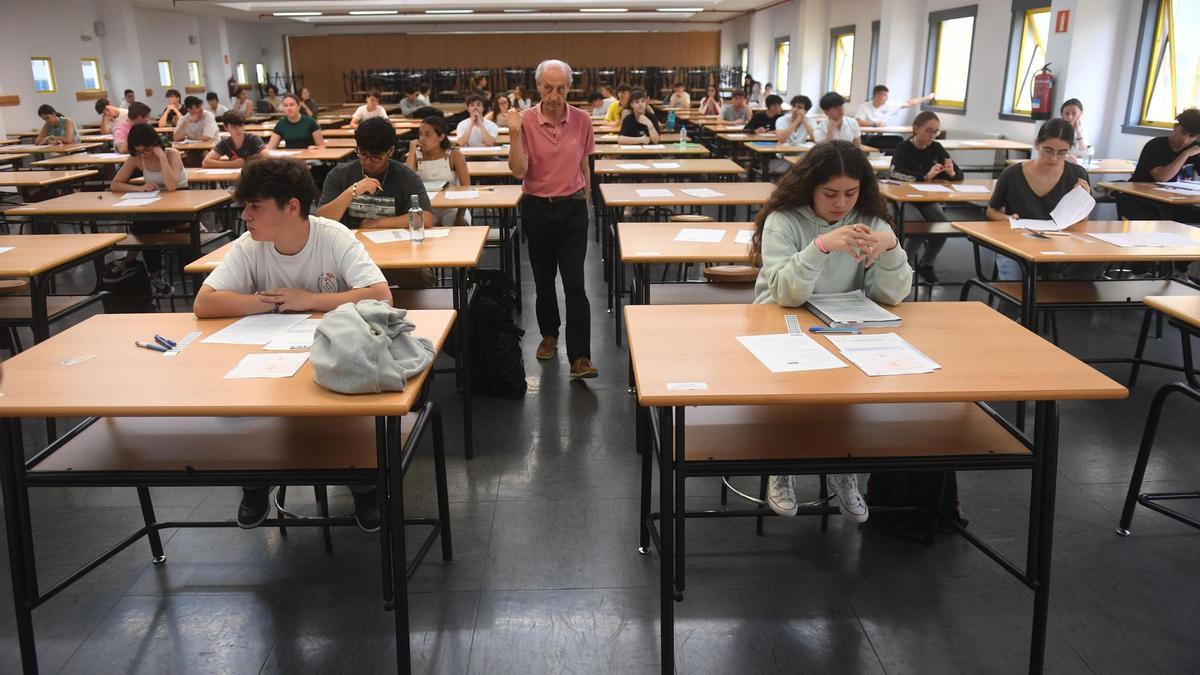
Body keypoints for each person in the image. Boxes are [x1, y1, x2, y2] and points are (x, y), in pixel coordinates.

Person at [193, 158, 392, 532]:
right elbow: (205, 303)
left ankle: (365, 486)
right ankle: (254, 483)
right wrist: (271, 301)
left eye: (255, 207)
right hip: (271, 353)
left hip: (332, 352)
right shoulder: (249, 246)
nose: (245, 216)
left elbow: (380, 296)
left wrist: (308, 300)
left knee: (347, 405)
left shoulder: (332, 236)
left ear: (292, 206)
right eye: (245, 207)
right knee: (239, 401)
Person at [752, 140, 912, 522]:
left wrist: (891, 248)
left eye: (851, 193)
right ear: (810, 187)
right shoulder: (785, 220)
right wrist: (820, 246)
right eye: (830, 194)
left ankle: (844, 464)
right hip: (780, 319)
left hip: (845, 321)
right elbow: (787, 295)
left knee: (853, 387)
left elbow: (891, 295)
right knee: (793, 387)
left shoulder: (869, 220)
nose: (841, 204)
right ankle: (782, 462)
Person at [508, 59, 598, 380]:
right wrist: (515, 133)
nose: (554, 94)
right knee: (544, 281)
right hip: (537, 209)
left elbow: (585, 165)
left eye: (561, 88)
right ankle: (549, 334)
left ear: (569, 88)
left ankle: (581, 357)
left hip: (573, 210)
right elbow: (519, 171)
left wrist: (585, 201)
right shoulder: (526, 121)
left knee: (575, 284)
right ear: (538, 87)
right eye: (548, 87)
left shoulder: (583, 120)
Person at [987, 118, 1093, 279]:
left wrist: (1083, 201)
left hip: (1059, 243)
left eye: (1062, 153)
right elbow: (991, 211)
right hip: (1018, 244)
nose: (1054, 158)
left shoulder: (1077, 174)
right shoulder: (1012, 174)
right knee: (1016, 291)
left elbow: (1082, 220)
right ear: (1037, 144)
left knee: (1086, 275)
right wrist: (1007, 219)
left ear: (1069, 150)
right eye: (1048, 150)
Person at [109, 123, 189, 296]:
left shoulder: (172, 154)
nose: (144, 154)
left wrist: (161, 157)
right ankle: (155, 275)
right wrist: (139, 188)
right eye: (139, 151)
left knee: (143, 225)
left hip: (182, 205)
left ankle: (132, 260)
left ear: (155, 142)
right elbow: (115, 184)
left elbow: (172, 186)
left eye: (147, 149)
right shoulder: (137, 158)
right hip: (155, 204)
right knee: (143, 223)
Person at [890, 111, 963, 283]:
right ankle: (904, 266)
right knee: (918, 227)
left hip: (925, 198)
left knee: (942, 226)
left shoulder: (936, 147)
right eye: (928, 130)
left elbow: (958, 173)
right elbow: (895, 172)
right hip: (903, 198)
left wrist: (952, 173)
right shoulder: (904, 147)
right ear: (916, 128)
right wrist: (924, 176)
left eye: (936, 131)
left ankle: (926, 263)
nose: (932, 135)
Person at [407, 116, 472, 226]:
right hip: (427, 208)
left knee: (451, 224)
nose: (422, 138)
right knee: (422, 227)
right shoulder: (416, 155)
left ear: (441, 137)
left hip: (453, 207)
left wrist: (460, 216)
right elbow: (407, 180)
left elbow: (466, 187)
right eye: (420, 134)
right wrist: (412, 151)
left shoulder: (454, 155)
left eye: (427, 135)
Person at [855, 85, 935, 128]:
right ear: (876, 95)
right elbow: (857, 122)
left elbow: (908, 103)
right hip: (865, 136)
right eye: (884, 96)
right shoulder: (864, 106)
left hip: (879, 135)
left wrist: (927, 98)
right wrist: (874, 124)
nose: (887, 98)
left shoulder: (889, 105)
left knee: (897, 140)